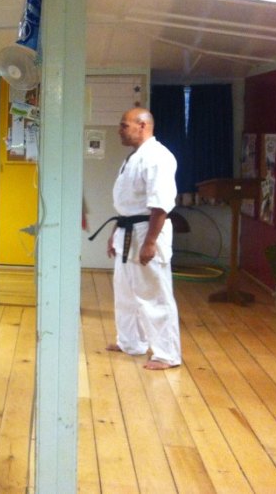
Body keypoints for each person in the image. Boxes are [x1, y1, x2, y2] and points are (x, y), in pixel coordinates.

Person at [96, 107, 181, 371]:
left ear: (142, 125)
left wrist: (150, 242)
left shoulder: (158, 157)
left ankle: (167, 354)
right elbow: (128, 204)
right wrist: (115, 233)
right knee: (125, 292)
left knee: (154, 295)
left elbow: (160, 205)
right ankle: (131, 342)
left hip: (147, 230)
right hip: (128, 229)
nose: (119, 130)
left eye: (124, 125)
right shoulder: (135, 157)